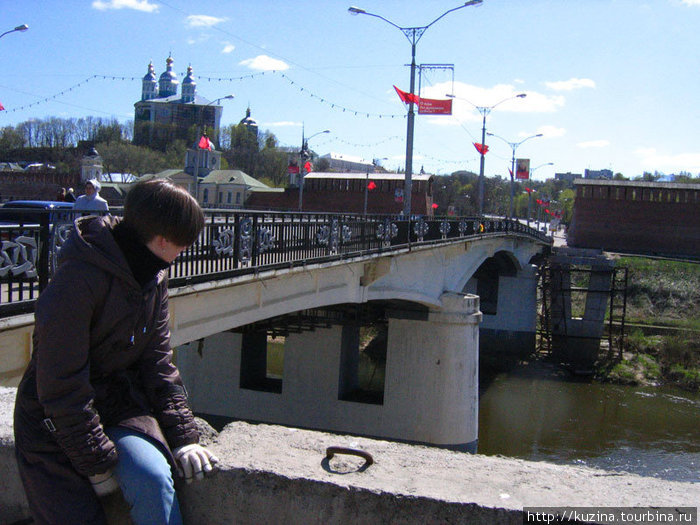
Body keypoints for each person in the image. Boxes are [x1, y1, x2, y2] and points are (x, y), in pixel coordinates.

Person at [14, 178, 217, 525]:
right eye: (185, 243)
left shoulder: (153, 276)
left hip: (116, 404)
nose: (186, 251)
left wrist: (184, 437)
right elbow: (61, 385)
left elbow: (157, 361)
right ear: (163, 239)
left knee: (153, 480)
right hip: (52, 424)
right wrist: (97, 465)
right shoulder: (77, 280)